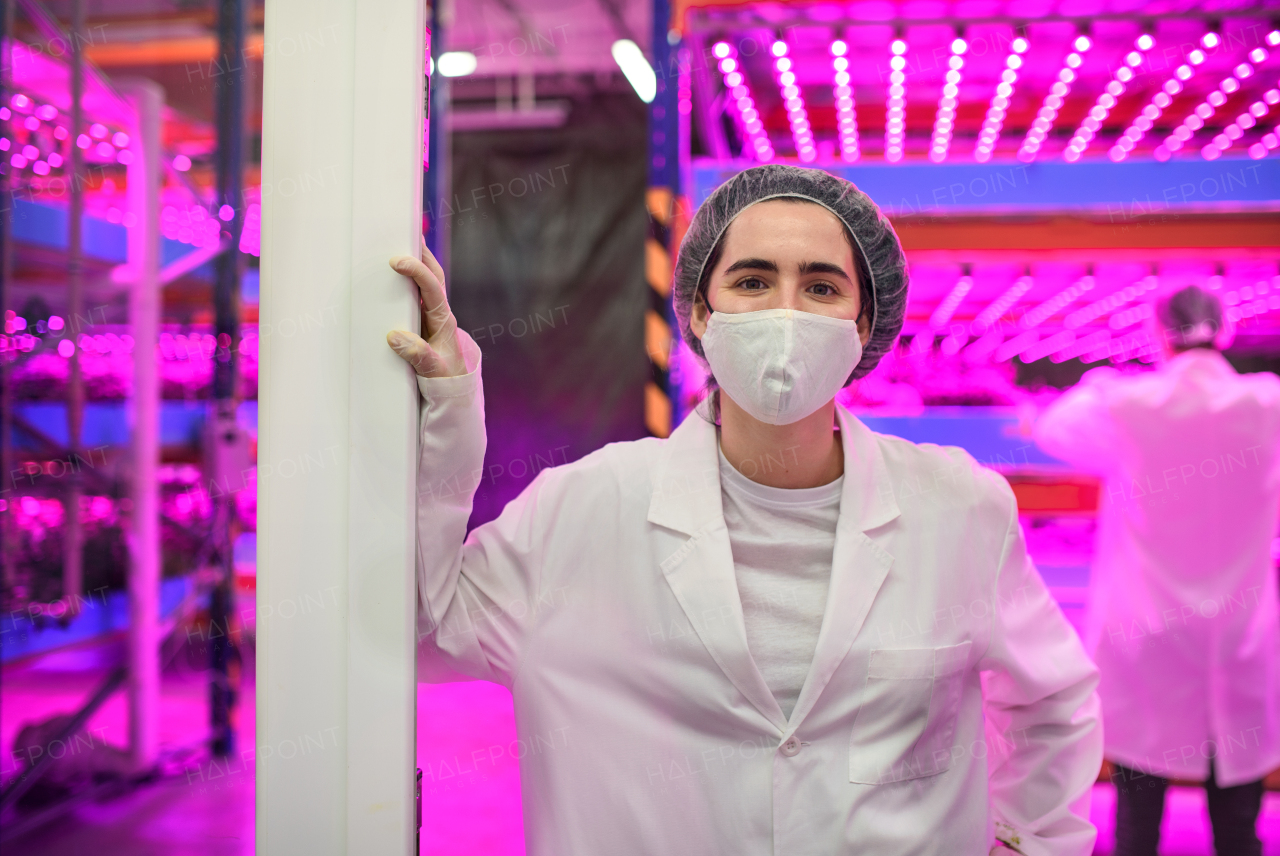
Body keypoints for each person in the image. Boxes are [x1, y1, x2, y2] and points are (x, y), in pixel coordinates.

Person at [389, 164, 1102, 856]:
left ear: (864, 322)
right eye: (753, 280)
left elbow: (1052, 702)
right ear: (701, 311)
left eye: (821, 286)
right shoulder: (584, 509)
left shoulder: (957, 509)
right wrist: (449, 408)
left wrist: (1026, 840)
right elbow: (419, 625)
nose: (785, 312)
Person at [1035, 285, 1280, 856]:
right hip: (1241, 637)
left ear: (1158, 333)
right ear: (1224, 331)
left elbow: (1055, 430)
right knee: (1238, 826)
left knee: (1137, 824)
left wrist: (1100, 382)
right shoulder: (1268, 404)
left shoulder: (1128, 404)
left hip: (1147, 639)